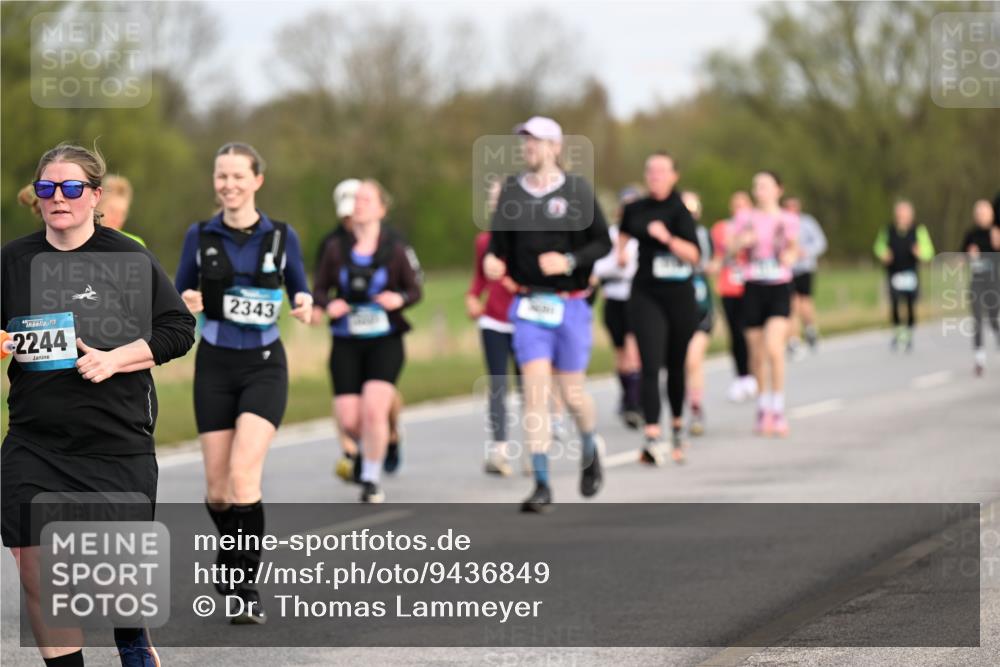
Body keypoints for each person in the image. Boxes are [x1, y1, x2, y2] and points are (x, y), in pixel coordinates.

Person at [2, 143, 195, 666]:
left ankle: (130, 635)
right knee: (36, 569)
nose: (57, 197)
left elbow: (179, 329)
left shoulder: (127, 258)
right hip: (36, 441)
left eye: (69, 188)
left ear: (94, 196)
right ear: (36, 198)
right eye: (47, 188)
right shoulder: (12, 261)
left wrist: (115, 359)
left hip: (115, 439)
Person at [175, 142, 313, 624]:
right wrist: (187, 299)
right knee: (216, 491)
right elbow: (177, 294)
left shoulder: (281, 237)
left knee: (242, 477)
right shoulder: (200, 235)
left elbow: (300, 286)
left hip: (264, 364)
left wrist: (304, 302)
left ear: (257, 180)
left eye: (238, 176)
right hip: (214, 364)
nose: (228, 185)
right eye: (221, 176)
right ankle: (229, 550)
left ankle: (244, 585)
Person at [484, 116, 611, 512]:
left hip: (570, 303)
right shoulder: (511, 195)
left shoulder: (577, 191)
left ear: (556, 147)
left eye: (536, 141)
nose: (529, 148)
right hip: (529, 307)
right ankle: (541, 484)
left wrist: (570, 259)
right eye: (525, 142)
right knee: (535, 394)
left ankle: (590, 446)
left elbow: (603, 243)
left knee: (572, 395)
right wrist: (492, 261)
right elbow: (498, 247)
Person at [313, 180, 423, 503]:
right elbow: (320, 288)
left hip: (385, 339)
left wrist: (397, 298)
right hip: (346, 340)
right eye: (356, 199)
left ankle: (371, 478)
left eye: (366, 199)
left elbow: (416, 290)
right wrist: (327, 304)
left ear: (381, 209)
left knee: (374, 411)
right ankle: (380, 442)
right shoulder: (335, 248)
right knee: (349, 419)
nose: (359, 204)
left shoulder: (397, 248)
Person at [620, 152, 701, 464]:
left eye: (661, 171)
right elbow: (624, 232)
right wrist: (622, 252)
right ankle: (652, 436)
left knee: (675, 365)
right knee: (650, 364)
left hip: (679, 296)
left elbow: (694, 255)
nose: (654, 176)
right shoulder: (634, 208)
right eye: (650, 170)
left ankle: (677, 427)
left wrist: (666, 238)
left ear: (674, 175)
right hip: (645, 294)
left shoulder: (681, 210)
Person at [732, 171, 799, 437]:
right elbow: (729, 248)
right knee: (756, 355)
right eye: (755, 186)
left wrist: (790, 256)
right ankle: (763, 408)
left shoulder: (788, 219)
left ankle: (779, 408)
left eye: (764, 186)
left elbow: (793, 248)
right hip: (752, 287)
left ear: (778, 190)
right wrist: (741, 241)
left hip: (779, 287)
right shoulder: (744, 217)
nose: (758, 190)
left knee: (774, 347)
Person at [467, 179, 522, 475]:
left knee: (529, 387)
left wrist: (514, 283)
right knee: (498, 386)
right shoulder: (484, 242)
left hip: (525, 320)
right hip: (493, 321)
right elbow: (479, 279)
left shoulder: (528, 239)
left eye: (499, 197)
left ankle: (534, 449)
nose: (493, 203)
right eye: (491, 198)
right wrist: (472, 298)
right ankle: (499, 451)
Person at [592, 186, 643, 430]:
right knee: (620, 354)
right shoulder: (610, 235)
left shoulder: (643, 235)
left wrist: (624, 264)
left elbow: (638, 267)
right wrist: (617, 264)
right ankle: (627, 395)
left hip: (636, 297)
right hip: (613, 297)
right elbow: (599, 267)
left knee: (634, 353)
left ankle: (635, 403)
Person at [710, 191, 756, 403]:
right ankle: (741, 376)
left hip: (753, 286)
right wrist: (737, 242)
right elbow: (722, 253)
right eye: (736, 205)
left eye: (744, 205)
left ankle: (755, 374)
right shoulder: (721, 228)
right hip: (730, 287)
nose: (740, 210)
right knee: (736, 333)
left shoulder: (759, 226)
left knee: (753, 334)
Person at [873, 199, 935, 352]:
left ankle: (908, 334)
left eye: (904, 214)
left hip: (911, 273)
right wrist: (883, 254)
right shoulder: (888, 230)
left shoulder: (918, 230)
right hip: (894, 272)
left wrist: (920, 252)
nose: (901, 217)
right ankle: (898, 332)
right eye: (899, 214)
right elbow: (878, 246)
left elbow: (929, 252)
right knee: (894, 303)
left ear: (911, 215)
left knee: (910, 305)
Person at [681, 191, 714, 437]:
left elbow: (707, 261)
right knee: (679, 362)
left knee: (693, 360)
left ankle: (695, 408)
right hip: (675, 307)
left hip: (701, 307)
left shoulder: (703, 235)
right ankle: (681, 407)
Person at [783, 196, 826, 358]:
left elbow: (821, 242)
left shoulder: (807, 222)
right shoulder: (781, 222)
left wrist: (806, 252)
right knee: (791, 305)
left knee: (805, 302)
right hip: (788, 270)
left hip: (805, 267)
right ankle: (793, 339)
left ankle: (810, 329)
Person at [961, 199, 1000, 376]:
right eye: (978, 214)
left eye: (984, 213)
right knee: (976, 318)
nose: (981, 217)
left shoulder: (996, 232)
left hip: (995, 282)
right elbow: (961, 258)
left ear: (991, 214)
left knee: (993, 318)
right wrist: (969, 256)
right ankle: (979, 358)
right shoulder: (971, 235)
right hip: (977, 281)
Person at [96, 174, 145, 247]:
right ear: (98, 205)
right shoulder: (80, 238)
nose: (116, 218)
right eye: (112, 211)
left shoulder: (136, 244)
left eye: (122, 213)